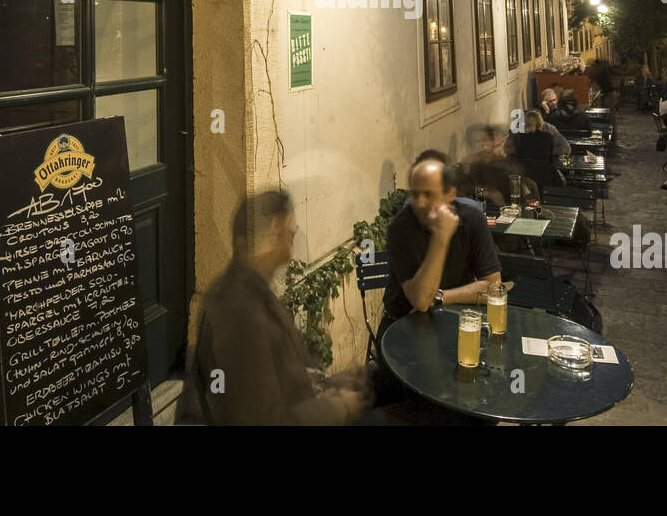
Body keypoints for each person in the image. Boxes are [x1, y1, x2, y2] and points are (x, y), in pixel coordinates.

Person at [192, 189, 373, 425]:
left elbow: (290, 375)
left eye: (288, 231)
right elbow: (265, 420)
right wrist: (340, 406)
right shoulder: (239, 311)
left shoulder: (256, 290)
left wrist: (335, 383)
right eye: (282, 231)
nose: (289, 238)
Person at [380, 156, 501, 338]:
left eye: (428, 195)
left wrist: (439, 297)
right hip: (403, 325)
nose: (420, 203)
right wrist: (441, 236)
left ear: (450, 195)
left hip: (455, 317)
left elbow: (493, 286)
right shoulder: (400, 228)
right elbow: (420, 301)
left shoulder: (472, 219)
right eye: (415, 194)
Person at [505, 111, 558, 192]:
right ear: (540, 122)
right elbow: (550, 160)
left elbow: (514, 157)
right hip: (544, 177)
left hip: (524, 176)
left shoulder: (519, 138)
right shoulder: (548, 138)